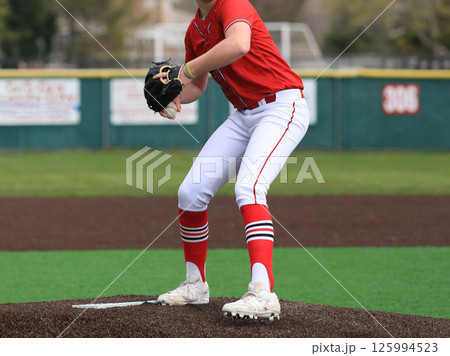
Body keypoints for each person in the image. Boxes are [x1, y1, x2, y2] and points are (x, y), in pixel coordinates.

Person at [153, 0, 310, 320]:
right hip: (243, 115)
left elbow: (238, 44)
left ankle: (263, 292)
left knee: (250, 187)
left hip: (281, 106)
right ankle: (195, 285)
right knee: (190, 193)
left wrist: (186, 71)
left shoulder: (232, 4)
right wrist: (170, 95)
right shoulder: (194, 31)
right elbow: (196, 84)